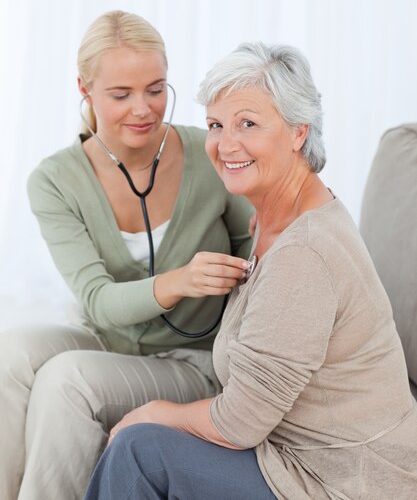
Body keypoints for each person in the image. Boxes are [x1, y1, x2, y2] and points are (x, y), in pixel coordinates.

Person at [84, 42, 417, 500]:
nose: (226, 144)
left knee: (139, 449)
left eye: (248, 124)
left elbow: (239, 424)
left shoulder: (305, 253)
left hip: (341, 481)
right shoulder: (271, 219)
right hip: (290, 454)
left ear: (299, 132)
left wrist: (155, 411)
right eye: (216, 125)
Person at [0, 11, 254, 500]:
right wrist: (179, 281)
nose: (143, 109)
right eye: (121, 95)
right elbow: (97, 301)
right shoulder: (54, 180)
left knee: (65, 379)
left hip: (193, 359)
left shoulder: (211, 152)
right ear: (85, 88)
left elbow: (261, 251)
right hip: (108, 337)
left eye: (156, 89)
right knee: (8, 355)